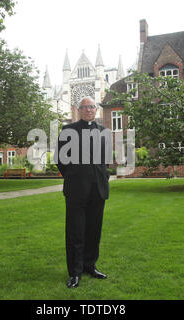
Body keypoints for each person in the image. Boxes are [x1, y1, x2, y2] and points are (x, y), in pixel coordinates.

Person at [55, 96, 110, 288]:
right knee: (75, 233)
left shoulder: (104, 132)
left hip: (98, 191)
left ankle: (89, 266)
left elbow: (106, 160)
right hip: (76, 190)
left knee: (94, 232)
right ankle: (75, 272)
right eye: (85, 107)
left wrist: (104, 177)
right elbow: (60, 160)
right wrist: (73, 176)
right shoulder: (67, 131)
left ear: (96, 110)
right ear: (79, 110)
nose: (89, 110)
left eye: (92, 107)